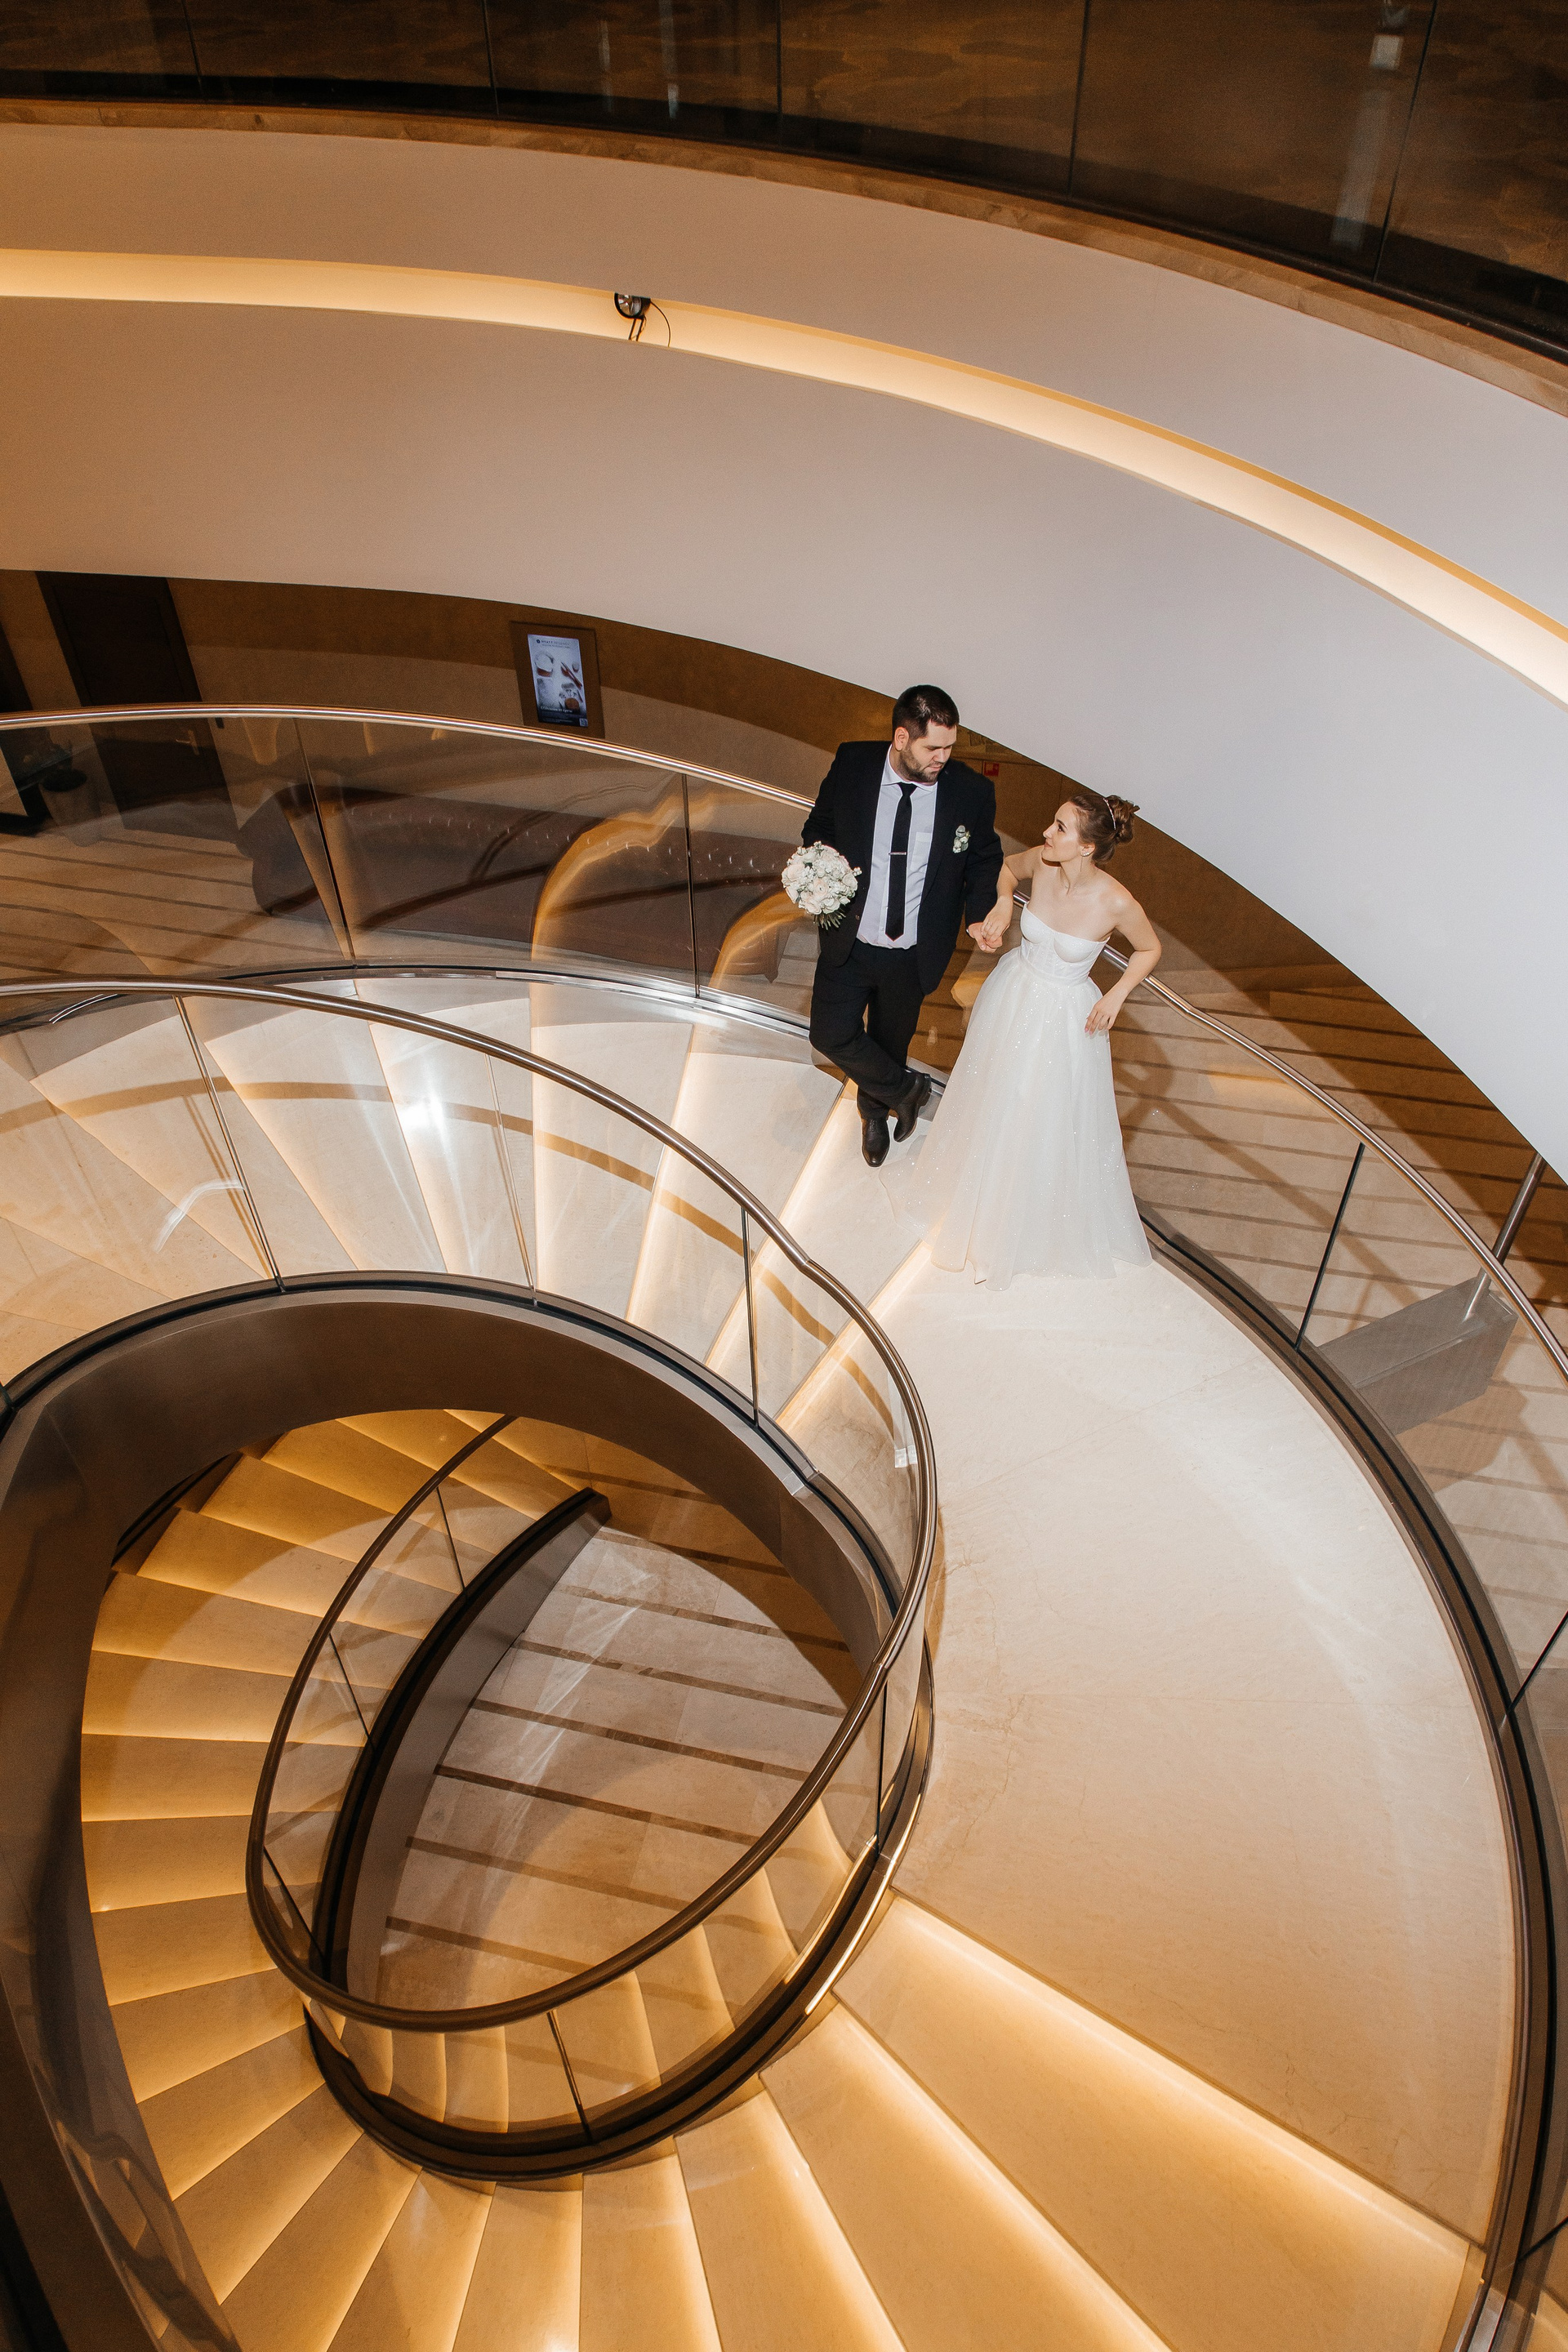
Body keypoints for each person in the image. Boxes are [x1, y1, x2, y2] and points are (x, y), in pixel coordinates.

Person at [902, 786, 1161, 1284]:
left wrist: (1116, 994)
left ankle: (1015, 1219)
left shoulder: (1116, 901)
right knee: (995, 1093)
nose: (1046, 832)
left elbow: (1149, 949)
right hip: (1014, 992)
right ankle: (974, 1196)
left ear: (1087, 846)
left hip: (1066, 1017)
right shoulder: (1042, 863)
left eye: (1060, 828)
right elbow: (1005, 867)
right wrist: (1003, 904)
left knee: (1038, 1110)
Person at [804, 685, 1004, 1166]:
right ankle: (906, 1091)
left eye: (949, 747)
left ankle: (873, 1113)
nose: (943, 758)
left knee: (891, 1041)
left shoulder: (970, 792)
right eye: (933, 748)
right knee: (829, 1034)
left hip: (915, 950)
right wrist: (820, 874)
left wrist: (980, 916)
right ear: (901, 738)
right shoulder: (853, 764)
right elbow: (819, 828)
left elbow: (983, 859)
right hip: (851, 938)